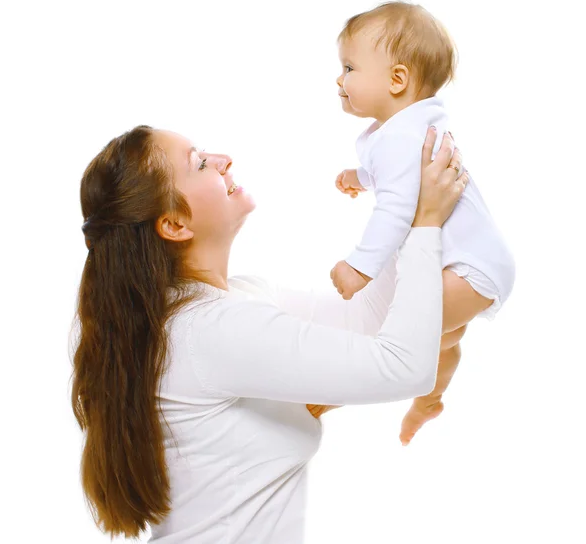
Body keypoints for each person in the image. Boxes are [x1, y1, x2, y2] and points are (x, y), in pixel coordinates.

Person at [72, 124, 467, 543]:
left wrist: (405, 201)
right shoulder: (209, 329)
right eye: (200, 163)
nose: (223, 160)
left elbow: (368, 322)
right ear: (173, 224)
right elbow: (406, 367)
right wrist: (425, 223)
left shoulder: (232, 302)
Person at [331, 1, 516, 444]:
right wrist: (359, 176)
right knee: (439, 342)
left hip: (468, 270)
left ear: (397, 80)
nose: (340, 79)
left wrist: (359, 266)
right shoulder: (407, 129)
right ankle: (429, 400)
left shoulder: (399, 136)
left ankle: (329, 396)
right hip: (477, 265)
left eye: (349, 67)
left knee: (394, 336)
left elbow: (395, 209)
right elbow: (403, 180)